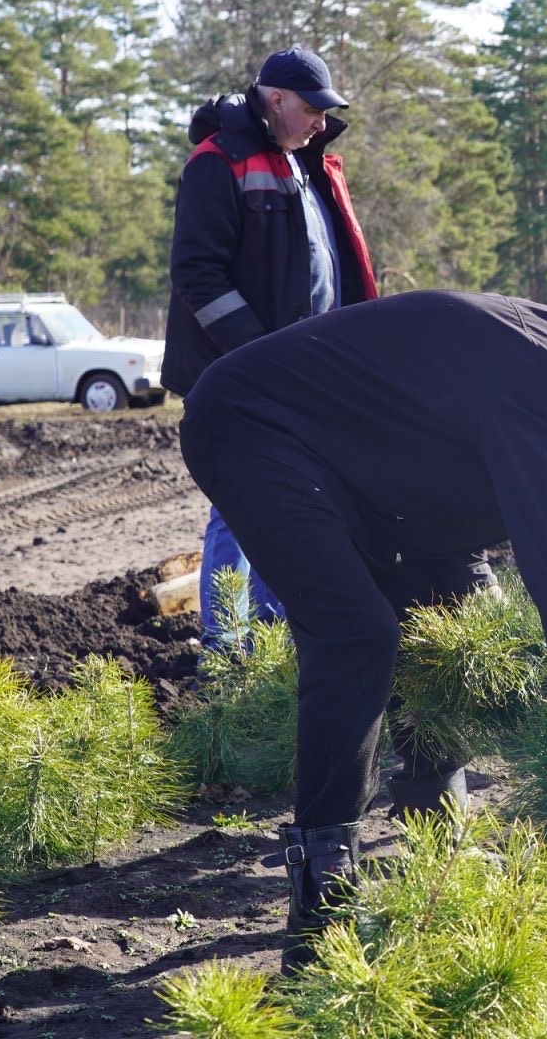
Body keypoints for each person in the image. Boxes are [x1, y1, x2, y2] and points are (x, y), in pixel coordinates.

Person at [178, 293, 547, 972]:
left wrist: (476, 604)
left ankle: (438, 845)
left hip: (353, 468)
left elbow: (459, 486)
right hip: (255, 428)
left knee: (452, 611)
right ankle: (323, 893)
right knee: (356, 636)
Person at [164, 46, 378, 649]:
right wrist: (257, 356)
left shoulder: (304, 162)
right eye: (312, 109)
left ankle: (275, 642)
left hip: (305, 377)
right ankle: (229, 656)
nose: (321, 122)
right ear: (275, 98)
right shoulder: (218, 163)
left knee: (298, 507)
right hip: (245, 377)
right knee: (239, 509)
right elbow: (197, 274)